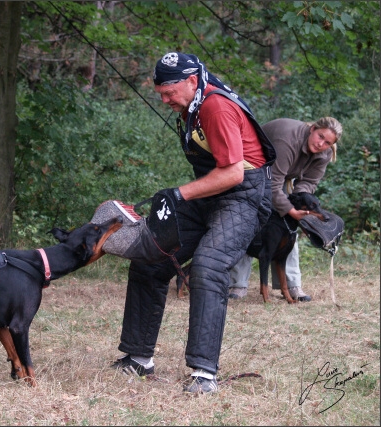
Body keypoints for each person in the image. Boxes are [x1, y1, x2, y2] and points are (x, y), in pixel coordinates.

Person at [110, 52, 276, 394]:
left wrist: (178, 193)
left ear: (192, 81)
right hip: (212, 191)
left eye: (170, 92)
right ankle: (138, 359)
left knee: (208, 265)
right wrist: (182, 195)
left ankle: (204, 373)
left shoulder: (215, 107)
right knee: (151, 256)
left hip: (243, 194)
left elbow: (232, 173)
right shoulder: (191, 104)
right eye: (160, 93)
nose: (165, 99)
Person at [228, 117, 343, 301]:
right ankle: (237, 284)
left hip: (278, 176)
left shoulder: (325, 153)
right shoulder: (288, 138)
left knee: (289, 227)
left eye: (327, 142)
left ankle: (292, 286)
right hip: (249, 168)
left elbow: (309, 182)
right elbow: (274, 184)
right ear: (312, 128)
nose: (321, 143)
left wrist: (299, 206)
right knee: (247, 220)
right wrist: (290, 209)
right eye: (320, 136)